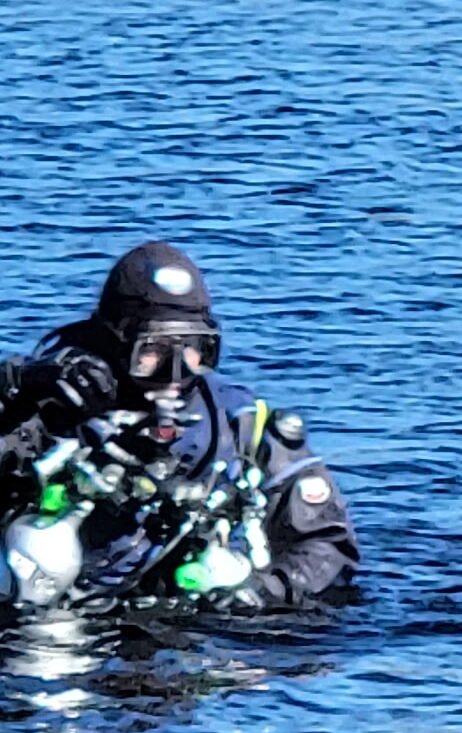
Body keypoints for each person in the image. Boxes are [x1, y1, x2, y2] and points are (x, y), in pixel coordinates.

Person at [0, 241, 360, 611]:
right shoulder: (48, 407)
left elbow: (327, 543)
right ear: (114, 343)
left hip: (178, 620)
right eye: (151, 350)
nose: (174, 371)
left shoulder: (236, 423)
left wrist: (263, 591)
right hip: (39, 614)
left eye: (194, 349)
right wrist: (15, 386)